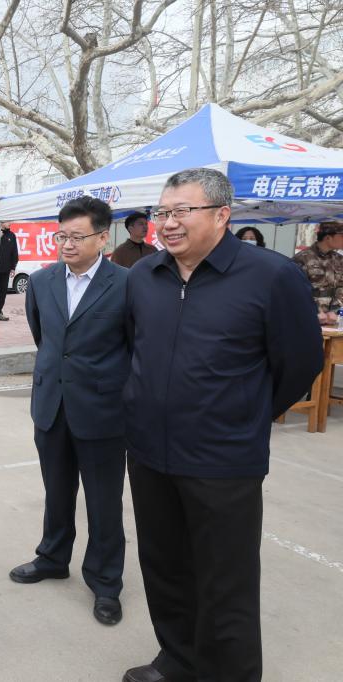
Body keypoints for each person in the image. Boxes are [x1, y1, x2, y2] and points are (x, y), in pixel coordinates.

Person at [121, 168, 323, 682]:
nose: (168, 223)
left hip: (224, 460)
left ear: (221, 215)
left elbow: (300, 362)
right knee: (164, 568)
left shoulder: (271, 276)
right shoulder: (144, 276)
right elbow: (133, 347)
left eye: (181, 211)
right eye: (162, 212)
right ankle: (178, 659)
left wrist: (243, 413)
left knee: (225, 582)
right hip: (149, 453)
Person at [10, 196, 130, 627]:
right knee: (56, 491)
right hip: (52, 406)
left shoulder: (127, 284)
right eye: (61, 236)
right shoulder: (42, 282)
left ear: (102, 238)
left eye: (77, 237)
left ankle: (105, 581)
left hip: (103, 411)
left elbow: (135, 346)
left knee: (103, 501)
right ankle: (53, 557)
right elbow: (45, 337)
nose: (67, 244)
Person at [292, 220, 343, 326]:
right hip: (306, 317)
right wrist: (315, 310)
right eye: (342, 236)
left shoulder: (339, 259)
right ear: (328, 237)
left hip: (331, 320)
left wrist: (335, 311)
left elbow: (340, 288)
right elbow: (296, 290)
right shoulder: (302, 258)